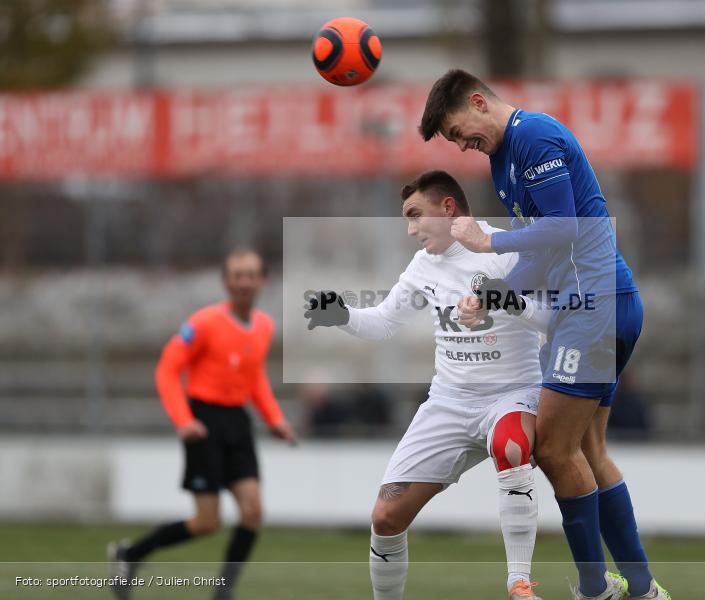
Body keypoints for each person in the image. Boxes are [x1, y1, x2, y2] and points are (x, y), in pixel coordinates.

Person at [419, 70, 669, 600]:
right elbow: (539, 252)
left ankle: (596, 589)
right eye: (454, 142)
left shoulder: (533, 136)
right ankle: (643, 590)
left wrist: (489, 243)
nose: (463, 145)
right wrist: (492, 296)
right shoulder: (501, 158)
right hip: (590, 307)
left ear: (479, 102)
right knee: (587, 450)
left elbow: (566, 227)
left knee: (554, 449)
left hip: (593, 307)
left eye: (459, 131)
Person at [304, 170, 550, 600]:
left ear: (449, 207)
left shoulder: (504, 250)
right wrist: (341, 315)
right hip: (449, 403)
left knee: (511, 446)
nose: (411, 228)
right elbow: (383, 323)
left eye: (416, 215)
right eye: (406, 218)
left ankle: (519, 584)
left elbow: (552, 320)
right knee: (385, 517)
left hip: (512, 394)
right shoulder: (424, 265)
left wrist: (504, 298)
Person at [108, 249, 297, 600]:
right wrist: (183, 420)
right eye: (237, 275)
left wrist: (275, 419)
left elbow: (254, 377)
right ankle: (130, 554)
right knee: (207, 522)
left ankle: (223, 592)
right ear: (226, 282)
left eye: (251, 275)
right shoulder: (203, 323)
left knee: (253, 511)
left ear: (262, 280)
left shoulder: (264, 326)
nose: (244, 282)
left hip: (237, 422)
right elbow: (167, 369)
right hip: (203, 421)